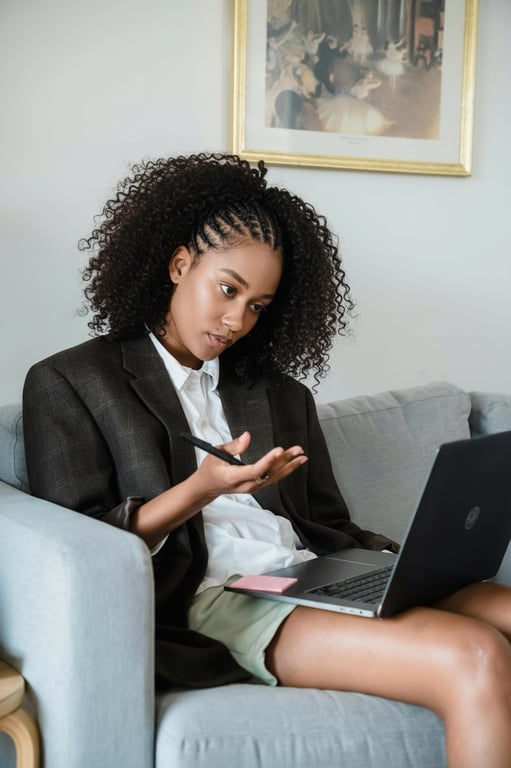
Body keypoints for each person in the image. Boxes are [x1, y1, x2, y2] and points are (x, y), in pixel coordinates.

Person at [23, 153, 511, 767]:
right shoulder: (71, 381)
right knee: (475, 654)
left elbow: (327, 522)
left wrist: (399, 561)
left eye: (257, 305)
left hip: (312, 574)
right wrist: (201, 489)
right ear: (180, 265)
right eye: (228, 289)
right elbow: (82, 552)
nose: (236, 320)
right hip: (219, 594)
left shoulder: (278, 394)